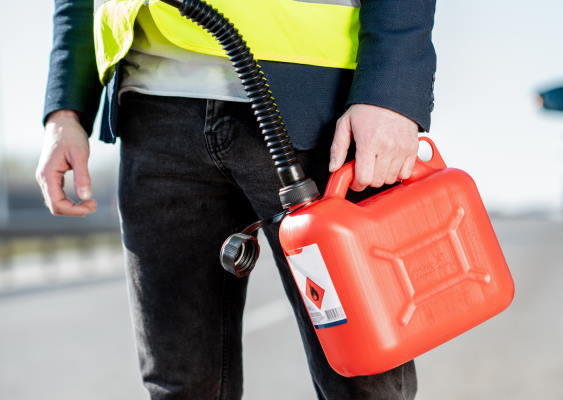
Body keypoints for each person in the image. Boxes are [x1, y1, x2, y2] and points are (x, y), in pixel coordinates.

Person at [36, 0, 436, 399]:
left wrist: (390, 90)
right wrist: (65, 110)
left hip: (315, 105)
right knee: (180, 387)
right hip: (152, 109)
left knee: (365, 382)